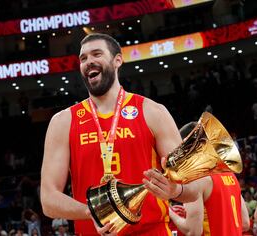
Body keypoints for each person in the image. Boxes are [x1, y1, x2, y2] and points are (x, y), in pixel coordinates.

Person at [40, 33, 186, 235]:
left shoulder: (153, 111)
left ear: (118, 60)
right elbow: (48, 200)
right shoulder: (63, 122)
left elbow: (193, 186)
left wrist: (176, 190)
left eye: (96, 54)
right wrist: (92, 212)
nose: (89, 61)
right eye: (83, 58)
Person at [143, 121, 250, 235]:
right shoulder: (230, 175)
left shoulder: (196, 178)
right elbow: (245, 223)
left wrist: (170, 212)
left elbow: (193, 231)